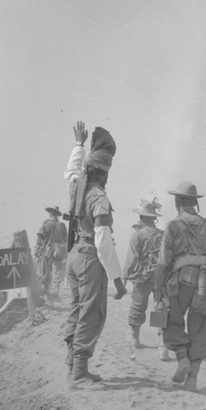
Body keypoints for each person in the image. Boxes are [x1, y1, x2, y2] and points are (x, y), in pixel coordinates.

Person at [63, 121, 127, 390]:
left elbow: (71, 171)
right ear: (104, 173)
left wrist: (79, 144)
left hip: (75, 256)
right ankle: (78, 374)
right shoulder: (98, 197)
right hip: (90, 258)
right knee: (91, 314)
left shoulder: (78, 189)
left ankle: (73, 368)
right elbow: (103, 242)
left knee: (77, 311)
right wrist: (117, 278)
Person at [154, 181, 206, 392]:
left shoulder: (173, 225)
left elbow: (163, 261)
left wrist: (158, 290)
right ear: (194, 203)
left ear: (178, 203)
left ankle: (182, 358)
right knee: (201, 329)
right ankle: (193, 379)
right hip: (205, 282)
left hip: (179, 283)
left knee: (169, 321)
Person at [123, 198, 169, 360]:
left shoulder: (138, 236)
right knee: (161, 307)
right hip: (161, 278)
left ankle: (134, 338)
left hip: (143, 277)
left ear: (142, 218)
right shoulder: (164, 235)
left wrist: (124, 278)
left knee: (137, 305)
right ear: (154, 217)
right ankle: (162, 345)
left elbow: (131, 260)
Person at [34, 206, 68, 299]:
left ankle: (46, 290)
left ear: (51, 214)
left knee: (45, 270)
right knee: (57, 270)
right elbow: (66, 239)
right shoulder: (62, 225)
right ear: (57, 215)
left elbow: (40, 238)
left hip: (47, 250)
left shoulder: (45, 224)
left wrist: (36, 250)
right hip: (59, 251)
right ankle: (56, 291)